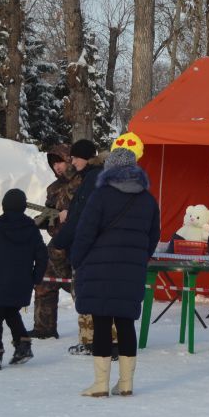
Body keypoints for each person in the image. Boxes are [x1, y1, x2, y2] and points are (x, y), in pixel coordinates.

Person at [69, 147, 159, 397]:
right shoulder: (148, 199)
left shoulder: (100, 196)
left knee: (101, 324)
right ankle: (127, 383)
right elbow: (153, 237)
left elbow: (85, 232)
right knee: (126, 323)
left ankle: (100, 384)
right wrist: (139, 257)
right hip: (131, 271)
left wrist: (76, 259)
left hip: (100, 268)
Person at [0, 189, 48, 370]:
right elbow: (42, 255)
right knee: (10, 312)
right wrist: (35, 277)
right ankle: (23, 346)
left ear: (4, 206)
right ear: (24, 206)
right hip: (21, 282)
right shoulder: (31, 228)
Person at [51, 138, 104, 355]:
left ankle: (90, 341)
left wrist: (61, 240)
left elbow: (81, 216)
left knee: (85, 295)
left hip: (86, 248)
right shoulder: (94, 176)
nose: (72, 161)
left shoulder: (91, 179)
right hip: (97, 248)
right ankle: (101, 340)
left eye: (75, 157)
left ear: (86, 157)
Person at [29, 146, 78, 340]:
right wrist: (40, 220)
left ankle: (91, 332)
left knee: (79, 288)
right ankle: (44, 328)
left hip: (76, 244)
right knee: (43, 282)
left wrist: (70, 215)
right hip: (56, 246)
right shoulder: (53, 188)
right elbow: (50, 214)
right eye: (53, 163)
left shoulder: (84, 182)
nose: (57, 166)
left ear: (69, 160)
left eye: (60, 161)